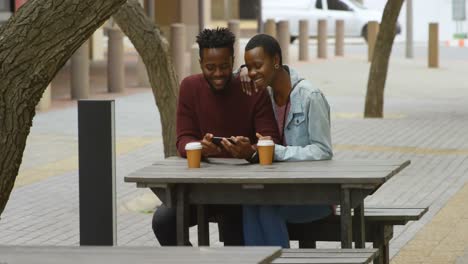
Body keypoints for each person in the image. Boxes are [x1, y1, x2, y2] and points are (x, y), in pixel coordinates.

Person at [151, 28, 280, 246]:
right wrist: (200, 148)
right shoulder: (190, 87)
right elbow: (183, 139)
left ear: (233, 60)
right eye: (210, 67)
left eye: (224, 66)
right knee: (163, 221)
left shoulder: (252, 89)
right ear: (200, 63)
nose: (218, 73)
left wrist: (250, 152)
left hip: (244, 191)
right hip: (202, 189)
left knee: (235, 234)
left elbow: (271, 140)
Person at [240, 34, 334, 248]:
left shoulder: (311, 96)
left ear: (276, 61)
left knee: (267, 209)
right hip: (280, 190)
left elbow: (323, 151)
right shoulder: (267, 96)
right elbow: (239, 74)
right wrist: (242, 72)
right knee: (248, 202)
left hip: (316, 196)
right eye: (248, 67)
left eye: (257, 66)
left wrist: (278, 152)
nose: (253, 73)